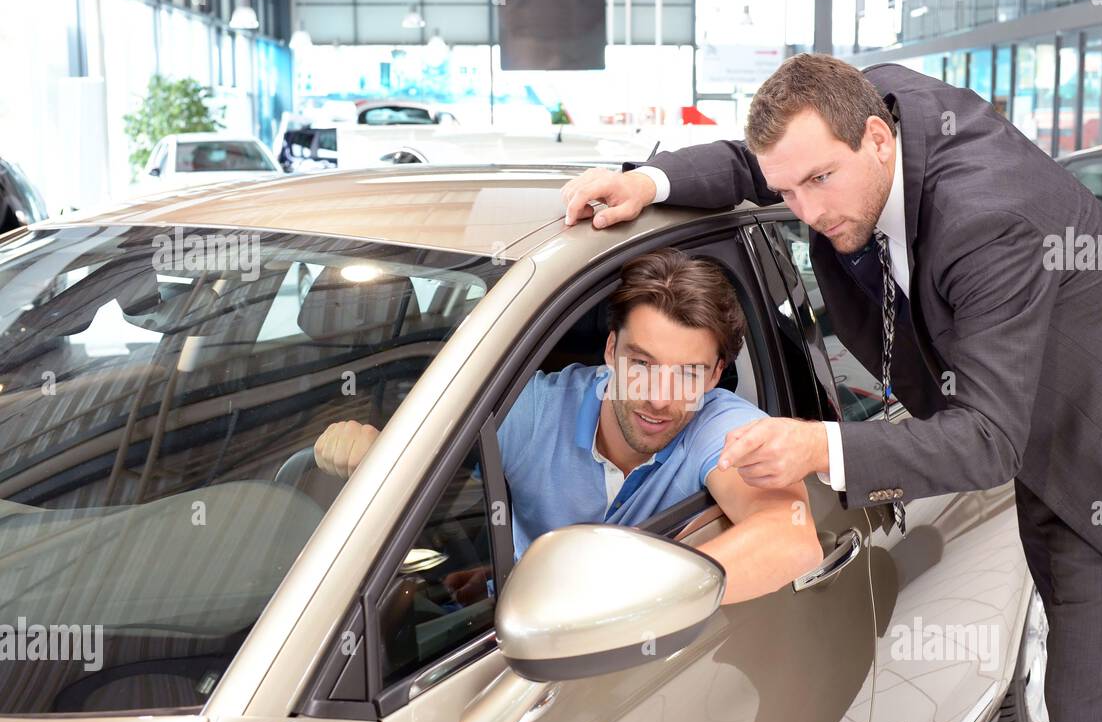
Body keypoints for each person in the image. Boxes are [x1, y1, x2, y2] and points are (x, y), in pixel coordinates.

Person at [559, 54, 1102, 722]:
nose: (806, 210)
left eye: (818, 182)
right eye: (787, 190)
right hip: (1053, 428)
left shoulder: (987, 218)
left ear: (878, 140)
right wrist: (648, 182)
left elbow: (989, 439)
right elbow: (756, 164)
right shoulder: (852, 112)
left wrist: (822, 445)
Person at [314, 248, 823, 607]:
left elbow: (791, 538)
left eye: (688, 374)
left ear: (714, 376)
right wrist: (372, 451)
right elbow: (419, 452)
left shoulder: (721, 427)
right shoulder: (531, 409)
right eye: (640, 363)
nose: (659, 398)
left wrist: (599, 599)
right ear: (609, 352)